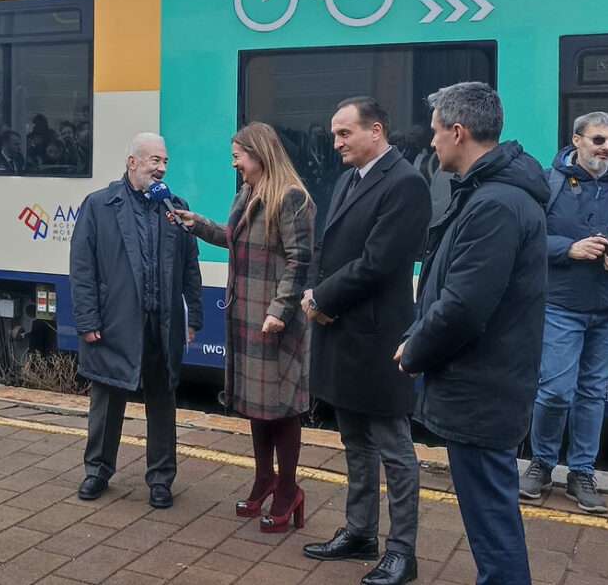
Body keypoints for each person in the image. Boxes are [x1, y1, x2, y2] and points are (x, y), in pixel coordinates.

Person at [397, 82, 548, 585]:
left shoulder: (495, 206)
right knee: (491, 518)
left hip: (481, 390)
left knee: (492, 525)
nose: (431, 143)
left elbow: (463, 306)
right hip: (487, 384)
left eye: (437, 132)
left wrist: (416, 348)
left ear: (458, 132)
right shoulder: (493, 196)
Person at [300, 97, 430, 585]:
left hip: (376, 338)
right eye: (335, 135)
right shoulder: (351, 178)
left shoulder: (406, 184)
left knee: (394, 448)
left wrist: (322, 299)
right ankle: (360, 532)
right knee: (354, 440)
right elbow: (327, 248)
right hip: (343, 332)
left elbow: (379, 262)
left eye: (344, 134)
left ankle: (403, 552)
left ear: (376, 130)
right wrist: (317, 294)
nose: (336, 144)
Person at [171, 123, 314, 532]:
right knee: (257, 406)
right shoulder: (249, 193)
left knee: (282, 409)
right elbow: (235, 239)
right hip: (246, 318)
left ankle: (288, 490)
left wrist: (280, 310)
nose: (234, 162)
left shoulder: (292, 199)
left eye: (239, 155)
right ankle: (264, 478)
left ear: (260, 154)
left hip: (273, 321)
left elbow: (299, 262)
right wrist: (196, 223)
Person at [523, 112, 608, 512]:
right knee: (554, 391)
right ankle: (542, 462)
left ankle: (581, 473)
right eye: (598, 139)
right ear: (577, 140)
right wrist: (568, 249)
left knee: (593, 392)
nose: (606, 148)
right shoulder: (548, 185)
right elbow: (528, 238)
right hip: (562, 304)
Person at [70, 133, 203, 510]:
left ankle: (161, 479)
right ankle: (97, 471)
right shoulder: (99, 205)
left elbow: (190, 268)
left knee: (163, 402)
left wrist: (193, 315)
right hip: (114, 322)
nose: (161, 168)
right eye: (153, 161)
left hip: (163, 323)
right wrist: (87, 320)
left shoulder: (175, 208)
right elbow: (82, 269)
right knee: (107, 399)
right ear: (132, 163)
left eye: (164, 162)